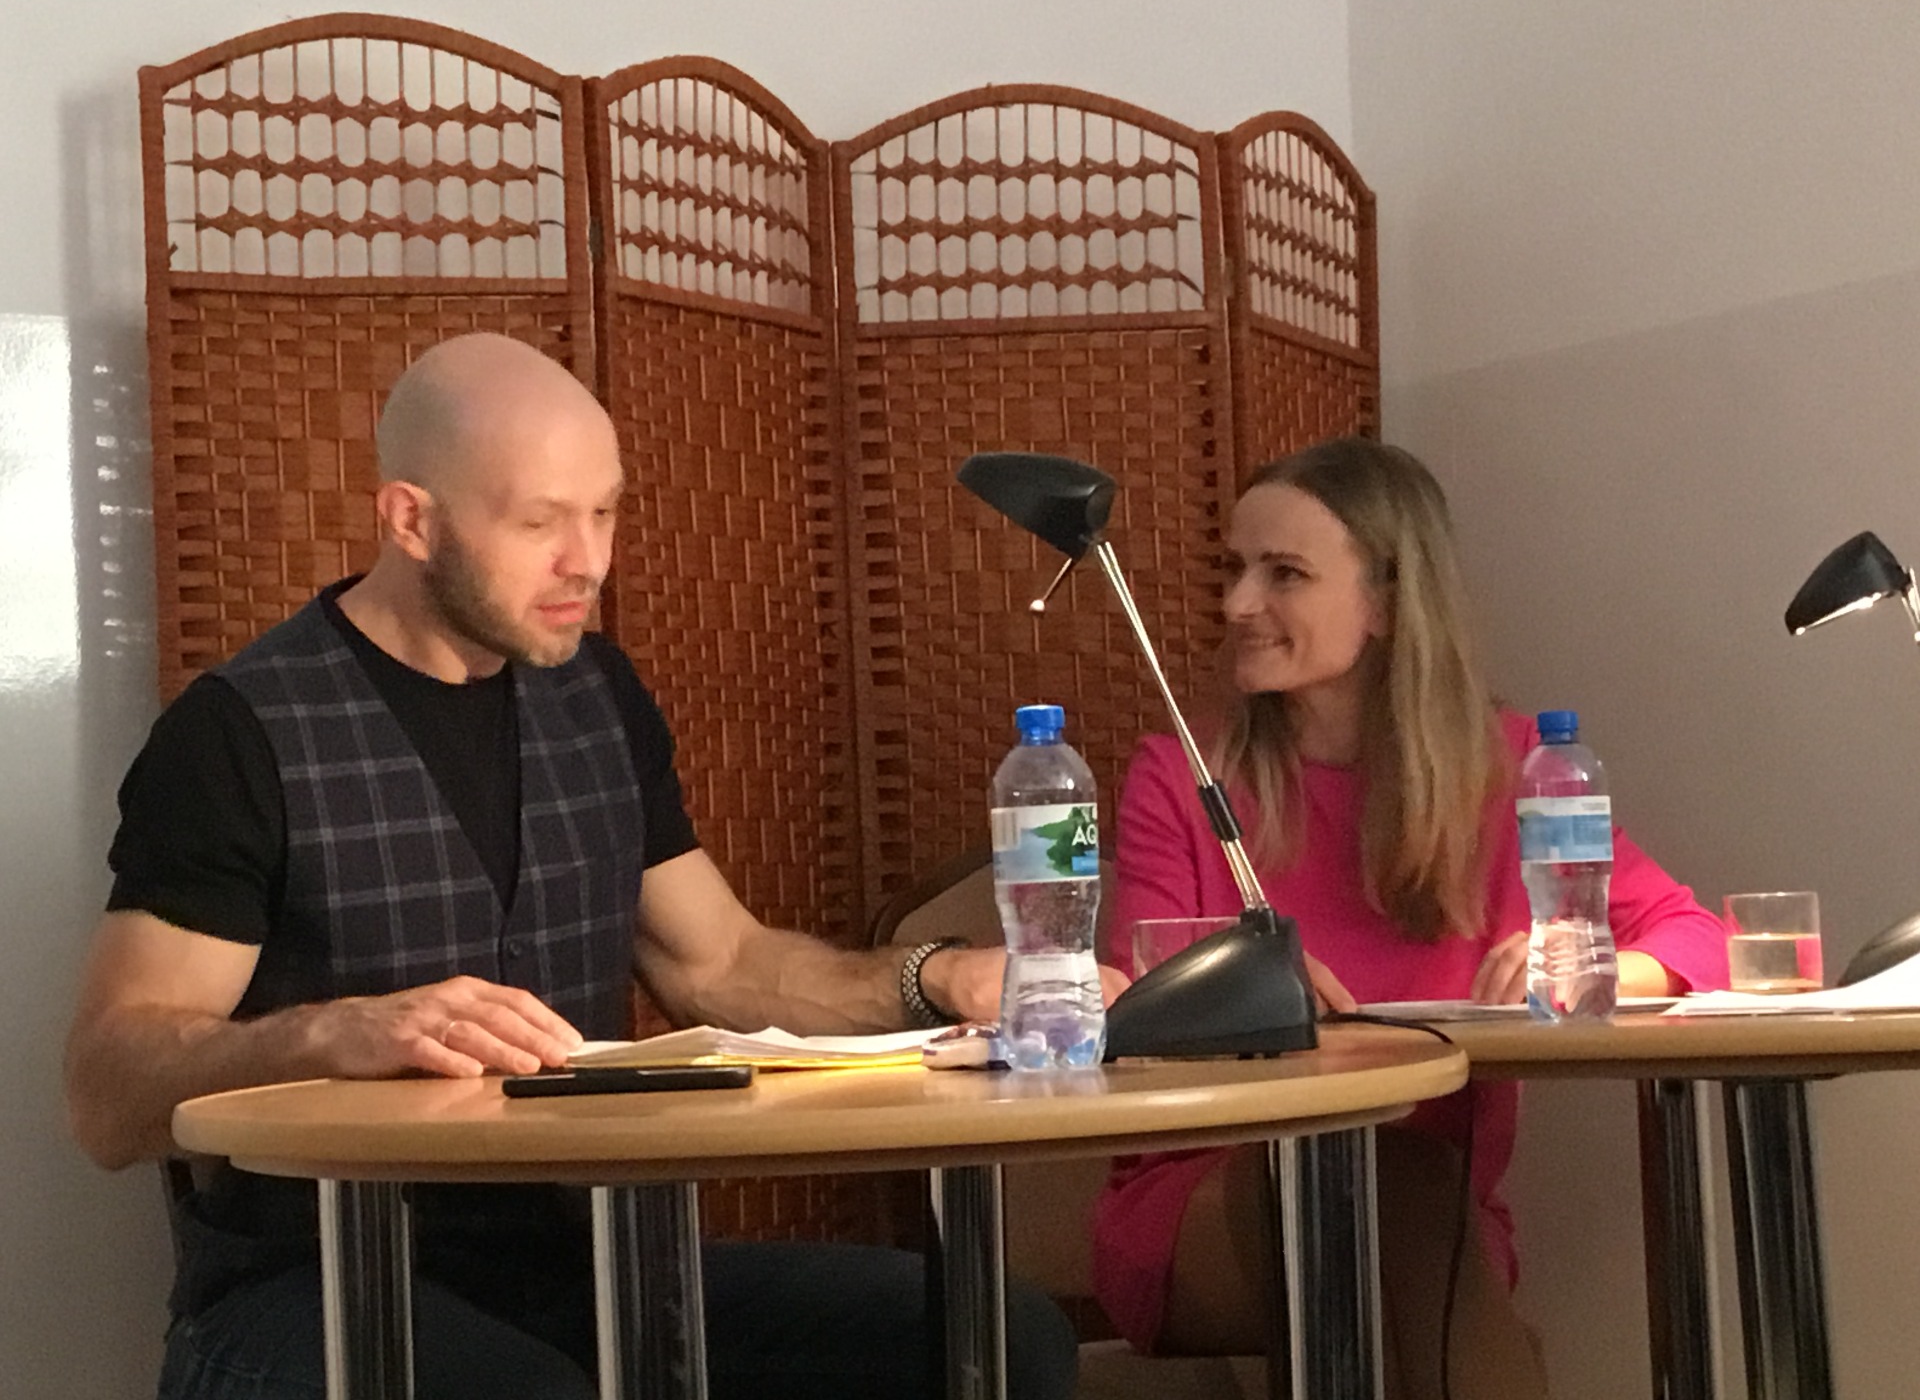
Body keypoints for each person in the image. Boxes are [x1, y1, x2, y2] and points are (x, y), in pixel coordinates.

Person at [63, 332, 1093, 1400]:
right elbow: (104, 1093)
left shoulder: (598, 696)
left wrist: (939, 978)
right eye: (540, 522)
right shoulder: (239, 733)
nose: (587, 560)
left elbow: (721, 965)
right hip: (308, 1286)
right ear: (411, 520)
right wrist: (331, 1032)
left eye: (603, 513)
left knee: (1001, 1336)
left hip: (586, 1262)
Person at [1091, 438, 1731, 1400]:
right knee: (1380, 1185)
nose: (1236, 605)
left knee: (1401, 1199)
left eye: (1284, 573)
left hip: (1441, 1218)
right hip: (1208, 1205)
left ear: (1387, 603)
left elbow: (1698, 938)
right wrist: (1241, 993)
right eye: (1234, 570)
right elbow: (1132, 1009)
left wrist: (1580, 963)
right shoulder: (1178, 779)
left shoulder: (1514, 769)